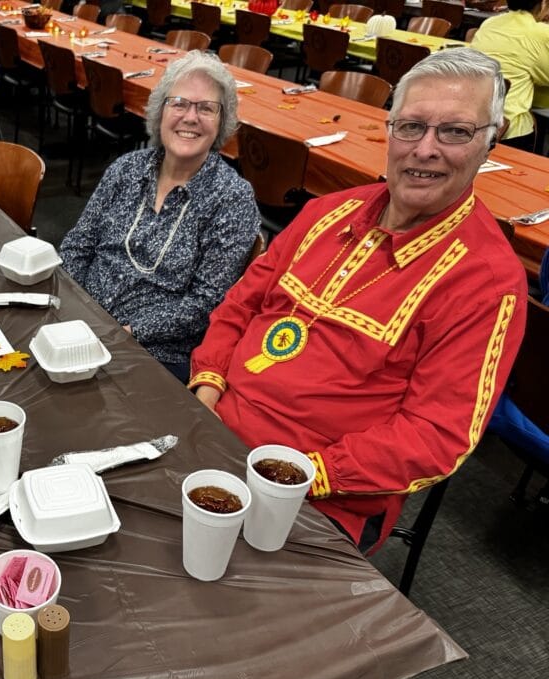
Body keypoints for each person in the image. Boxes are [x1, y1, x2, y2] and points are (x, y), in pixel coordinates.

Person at [188, 48, 528, 553]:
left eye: (455, 131)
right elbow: (240, 305)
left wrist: (296, 473)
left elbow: (435, 437)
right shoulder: (327, 212)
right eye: (411, 126)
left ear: (489, 144)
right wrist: (206, 393)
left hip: (320, 494)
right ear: (389, 132)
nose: (426, 149)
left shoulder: (486, 280)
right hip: (212, 431)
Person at [59, 51, 260, 382]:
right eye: (179, 103)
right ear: (160, 111)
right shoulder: (127, 168)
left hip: (153, 353)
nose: (190, 117)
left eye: (206, 108)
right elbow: (79, 244)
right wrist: (72, 307)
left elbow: (204, 304)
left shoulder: (232, 199)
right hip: (80, 322)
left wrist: (125, 331)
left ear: (221, 122)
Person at [470, 0, 549, 152]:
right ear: (544, 3)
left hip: (473, 120)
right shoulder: (539, 33)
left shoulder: (490, 23)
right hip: (509, 131)